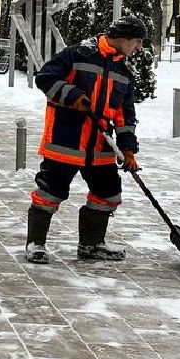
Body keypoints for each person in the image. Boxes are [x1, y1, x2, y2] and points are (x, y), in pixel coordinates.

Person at [25, 13, 149, 264]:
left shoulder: (123, 71)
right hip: (66, 143)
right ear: (123, 38)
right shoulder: (79, 54)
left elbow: (125, 115)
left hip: (100, 148)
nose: (139, 48)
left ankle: (91, 245)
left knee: (108, 194)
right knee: (50, 193)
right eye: (137, 41)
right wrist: (72, 95)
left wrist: (128, 150)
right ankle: (35, 244)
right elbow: (46, 77)